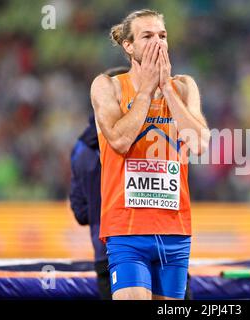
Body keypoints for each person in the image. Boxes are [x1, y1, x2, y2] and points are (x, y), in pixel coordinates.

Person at [90, 8, 210, 300]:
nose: (158, 42)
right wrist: (145, 91)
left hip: (175, 229)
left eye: (162, 35)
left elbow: (198, 144)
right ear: (128, 46)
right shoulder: (108, 87)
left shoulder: (183, 86)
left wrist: (166, 87)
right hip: (127, 229)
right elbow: (119, 140)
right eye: (147, 36)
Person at [69, 66, 129, 300]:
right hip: (153, 246)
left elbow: (81, 212)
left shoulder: (81, 149)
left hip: (105, 251)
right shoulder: (145, 137)